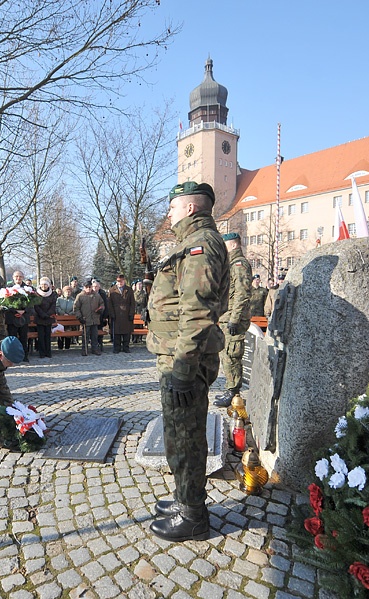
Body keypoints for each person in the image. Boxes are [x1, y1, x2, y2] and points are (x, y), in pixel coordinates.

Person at [147, 181, 228, 542]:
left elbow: (197, 311)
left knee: (187, 436)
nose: (170, 212)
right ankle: (183, 498)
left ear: (191, 208)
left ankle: (194, 515)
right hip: (176, 356)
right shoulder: (189, 243)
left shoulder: (201, 245)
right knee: (177, 433)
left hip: (185, 361)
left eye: (174, 206)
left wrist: (182, 370)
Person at [213, 232, 253, 408]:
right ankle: (231, 389)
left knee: (232, 355)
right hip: (226, 317)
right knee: (227, 355)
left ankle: (234, 393)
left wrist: (235, 319)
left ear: (234, 245)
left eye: (226, 244)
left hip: (233, 319)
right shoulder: (229, 264)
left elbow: (242, 294)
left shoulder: (239, 264)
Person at [4, 271, 32, 363]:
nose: (18, 278)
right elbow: (6, 303)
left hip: (24, 317)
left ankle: (24, 356)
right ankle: (12, 357)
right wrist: (15, 311)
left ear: (23, 277)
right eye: (16, 276)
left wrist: (24, 311)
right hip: (12, 317)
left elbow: (32, 302)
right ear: (13, 277)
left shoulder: (28, 288)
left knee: (23, 338)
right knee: (12, 338)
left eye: (20, 276)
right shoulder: (8, 288)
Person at [73, 279, 103, 355]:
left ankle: (95, 349)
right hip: (85, 319)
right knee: (85, 336)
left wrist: (101, 309)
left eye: (90, 287)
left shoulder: (96, 295)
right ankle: (84, 349)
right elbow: (76, 308)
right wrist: (79, 317)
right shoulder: (80, 296)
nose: (88, 288)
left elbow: (102, 304)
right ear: (84, 287)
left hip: (95, 319)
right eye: (87, 287)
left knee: (94, 336)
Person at [108, 274, 136, 353]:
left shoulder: (129, 290)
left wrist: (131, 313)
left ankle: (126, 347)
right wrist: (112, 314)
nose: (120, 283)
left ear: (124, 281)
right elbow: (109, 304)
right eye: (118, 281)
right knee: (117, 332)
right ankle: (117, 348)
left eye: (122, 281)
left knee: (126, 332)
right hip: (116, 314)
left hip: (126, 314)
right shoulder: (112, 290)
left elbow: (132, 303)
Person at [33, 277, 57, 358]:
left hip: (49, 317)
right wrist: (42, 314)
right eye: (42, 284)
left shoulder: (53, 294)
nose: (44, 286)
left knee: (47, 335)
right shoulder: (36, 293)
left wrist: (48, 314)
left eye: (45, 284)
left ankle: (48, 352)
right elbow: (36, 306)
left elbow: (54, 305)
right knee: (41, 336)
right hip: (39, 317)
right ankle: (42, 353)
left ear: (48, 285)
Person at [54, 285, 75, 351]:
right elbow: (57, 307)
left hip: (70, 319)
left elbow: (75, 308)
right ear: (63, 292)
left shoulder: (73, 300)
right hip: (61, 318)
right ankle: (60, 346)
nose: (68, 293)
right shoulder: (59, 299)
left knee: (68, 332)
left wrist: (69, 314)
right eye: (66, 291)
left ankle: (67, 346)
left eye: (69, 291)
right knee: (60, 332)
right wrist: (63, 313)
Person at [92, 278, 109, 351]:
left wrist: (105, 316)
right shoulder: (90, 293)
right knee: (93, 331)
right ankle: (94, 345)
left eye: (96, 286)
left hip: (100, 316)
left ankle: (100, 343)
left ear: (99, 287)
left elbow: (106, 304)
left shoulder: (102, 294)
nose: (95, 288)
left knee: (100, 330)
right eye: (94, 286)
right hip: (92, 316)